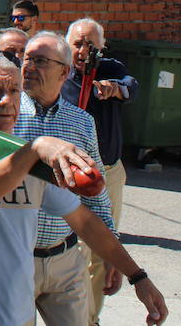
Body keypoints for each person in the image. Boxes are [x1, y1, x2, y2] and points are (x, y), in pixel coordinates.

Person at [0, 51, 167, 326]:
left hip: (16, 308)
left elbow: (83, 221)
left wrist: (138, 276)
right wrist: (36, 148)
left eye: (14, 90)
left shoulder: (28, 156)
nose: (7, 101)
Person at [16, 31, 115, 326]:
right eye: (26, 59)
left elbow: (96, 193)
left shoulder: (81, 122)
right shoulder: (6, 114)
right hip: (15, 261)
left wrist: (111, 252)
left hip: (66, 259)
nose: (29, 66)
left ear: (65, 72)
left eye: (40, 61)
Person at [64, 18, 140, 326]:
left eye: (91, 45)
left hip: (106, 172)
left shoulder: (110, 68)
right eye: (78, 44)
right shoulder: (59, 72)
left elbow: (131, 86)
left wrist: (115, 89)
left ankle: (89, 318)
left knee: (100, 246)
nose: (84, 51)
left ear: (102, 46)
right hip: (65, 174)